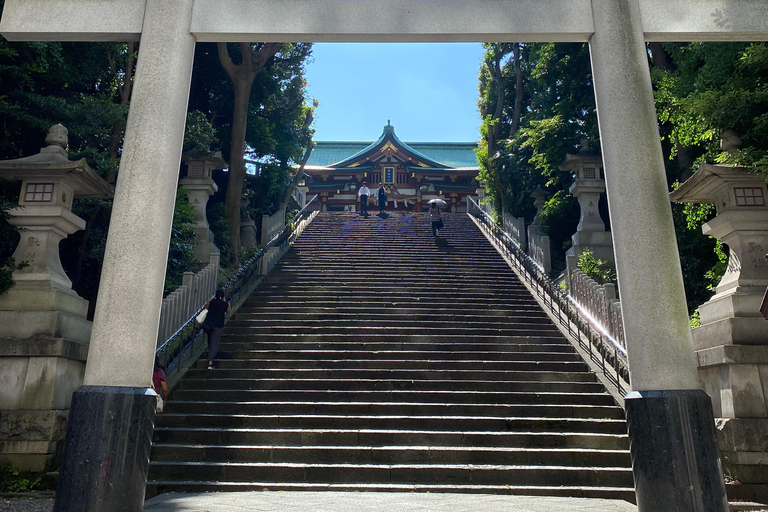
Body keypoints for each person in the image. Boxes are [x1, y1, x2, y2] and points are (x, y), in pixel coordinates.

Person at [203, 289, 231, 369]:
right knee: (214, 344)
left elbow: (205, 309)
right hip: (218, 326)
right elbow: (228, 311)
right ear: (223, 296)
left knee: (210, 340)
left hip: (208, 324)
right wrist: (224, 301)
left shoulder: (211, 301)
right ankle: (210, 363)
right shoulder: (226, 304)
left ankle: (210, 357)